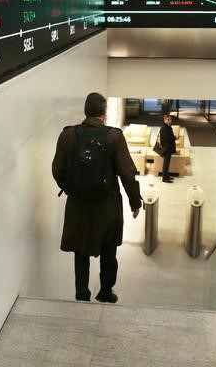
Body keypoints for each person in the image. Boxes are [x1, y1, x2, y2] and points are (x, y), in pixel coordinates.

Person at [52, 93, 142, 303]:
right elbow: (127, 173)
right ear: (104, 113)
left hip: (78, 205)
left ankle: (82, 293)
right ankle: (105, 291)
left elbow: (57, 170)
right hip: (107, 204)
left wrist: (71, 188)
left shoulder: (67, 136)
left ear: (85, 112)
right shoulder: (114, 137)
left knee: (80, 251)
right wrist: (134, 202)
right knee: (109, 249)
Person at [159, 114, 177, 183]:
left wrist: (173, 137)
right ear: (164, 120)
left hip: (169, 148)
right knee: (166, 164)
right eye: (168, 120)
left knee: (167, 163)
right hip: (166, 149)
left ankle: (166, 176)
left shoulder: (168, 127)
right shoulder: (164, 128)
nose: (169, 121)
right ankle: (164, 178)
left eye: (170, 120)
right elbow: (166, 139)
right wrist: (174, 138)